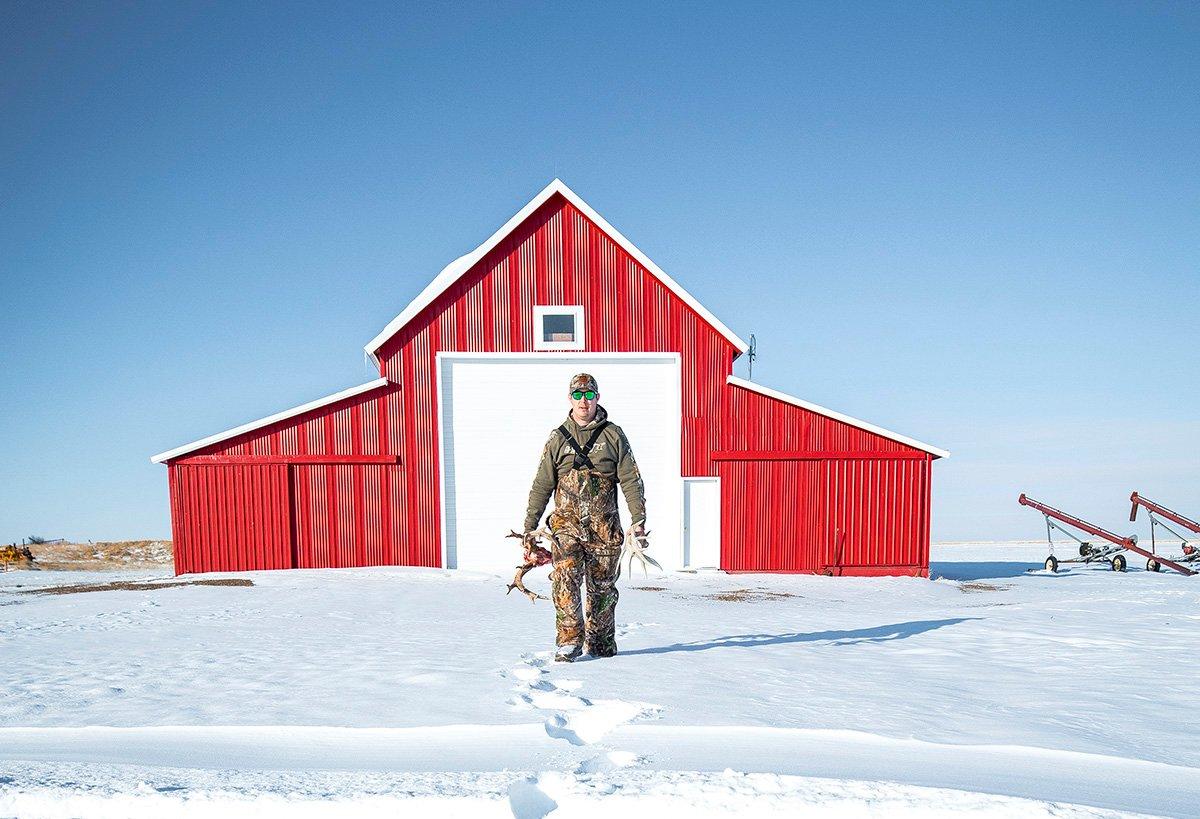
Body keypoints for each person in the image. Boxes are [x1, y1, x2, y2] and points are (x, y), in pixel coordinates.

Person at [523, 373, 647, 662]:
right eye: (577, 395)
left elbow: (630, 479)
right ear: (570, 399)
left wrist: (638, 518)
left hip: (605, 528)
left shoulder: (613, 435)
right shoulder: (557, 438)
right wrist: (530, 527)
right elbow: (542, 484)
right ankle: (568, 641)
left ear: (597, 398)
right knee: (564, 578)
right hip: (566, 528)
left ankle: (601, 643)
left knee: (602, 586)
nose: (583, 401)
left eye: (588, 395)